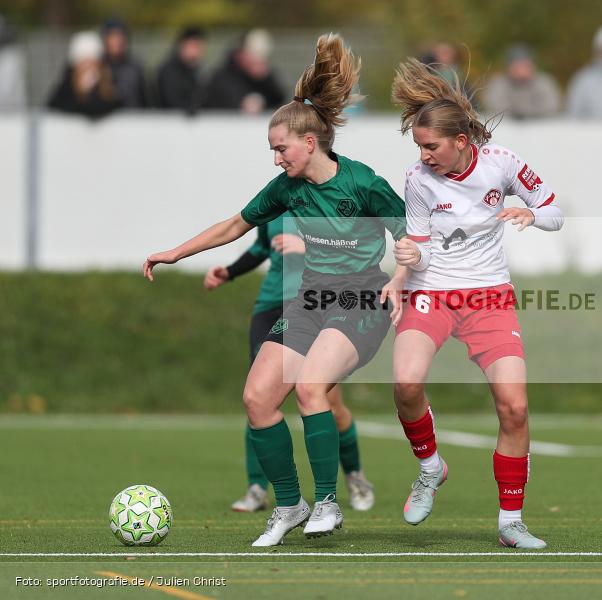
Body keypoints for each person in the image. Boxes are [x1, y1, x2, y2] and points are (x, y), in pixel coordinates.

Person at [144, 33, 408, 546]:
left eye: (279, 148)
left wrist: (403, 280)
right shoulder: (287, 188)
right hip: (310, 302)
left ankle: (328, 502)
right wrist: (175, 253)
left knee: (311, 388)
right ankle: (289, 505)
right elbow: (235, 224)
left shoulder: (363, 183)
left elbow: (411, 237)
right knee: (257, 397)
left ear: (309, 142)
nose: (275, 159)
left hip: (361, 302)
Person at [390, 58, 563, 549]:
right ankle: (430, 467)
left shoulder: (502, 162)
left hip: (489, 296)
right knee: (405, 383)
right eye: (419, 146)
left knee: (515, 408)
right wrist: (409, 258)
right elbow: (420, 243)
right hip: (432, 291)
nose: (423, 156)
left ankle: (511, 522)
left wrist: (529, 213)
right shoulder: (417, 179)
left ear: (462, 141)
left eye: (431, 146)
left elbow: (554, 212)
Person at [203, 219, 375, 514]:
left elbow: (359, 248)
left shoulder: (328, 203)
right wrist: (229, 272)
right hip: (270, 306)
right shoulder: (273, 204)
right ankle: (257, 488)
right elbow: (261, 247)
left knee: (329, 402)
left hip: (315, 304)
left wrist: (307, 246)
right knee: (258, 397)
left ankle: (355, 476)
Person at [203, 29, 285, 114]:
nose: (257, 60)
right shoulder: (221, 77)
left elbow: (279, 100)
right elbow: (220, 102)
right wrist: (241, 104)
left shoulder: (266, 76)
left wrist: (265, 80)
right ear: (241, 53)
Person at [47, 30, 121, 119]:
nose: (88, 65)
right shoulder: (67, 84)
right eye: (84, 61)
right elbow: (53, 108)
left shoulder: (108, 81)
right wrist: (80, 94)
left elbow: (114, 107)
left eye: (92, 60)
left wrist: (93, 94)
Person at [481, 44, 561, 120]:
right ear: (508, 67)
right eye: (516, 66)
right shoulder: (499, 83)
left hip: (540, 125)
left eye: (524, 65)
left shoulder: (544, 82)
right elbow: (492, 106)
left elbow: (551, 106)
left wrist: (527, 112)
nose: (520, 70)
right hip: (508, 126)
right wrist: (517, 113)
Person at [157, 26, 206, 113]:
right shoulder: (169, 72)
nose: (198, 50)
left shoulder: (196, 72)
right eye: (194, 46)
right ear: (182, 45)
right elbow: (172, 102)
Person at [101, 18, 148, 108]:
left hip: (132, 115)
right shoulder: (98, 66)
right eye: (112, 36)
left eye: (120, 36)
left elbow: (145, 98)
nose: (117, 40)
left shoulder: (135, 67)